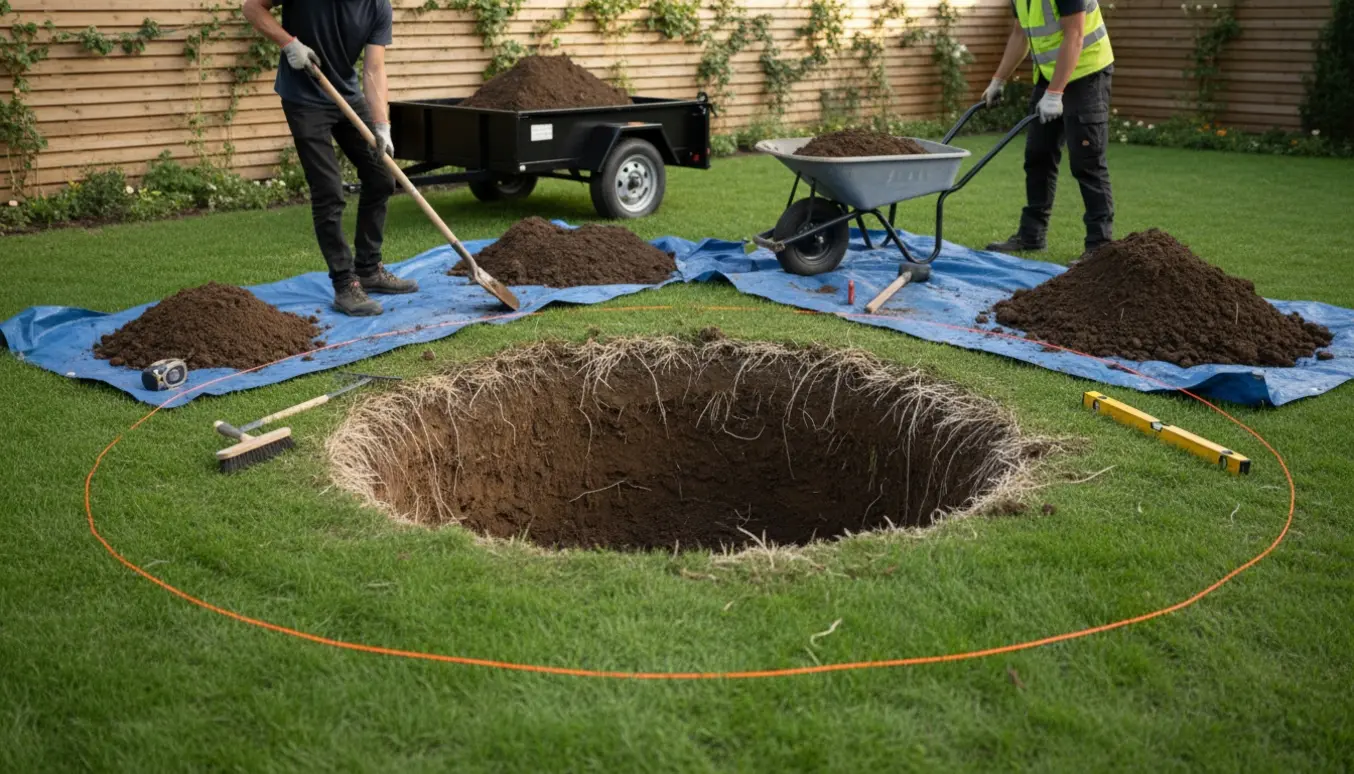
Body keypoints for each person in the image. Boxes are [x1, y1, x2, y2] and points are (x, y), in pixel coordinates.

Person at [243, 0, 417, 316]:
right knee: (329, 191)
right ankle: (345, 284)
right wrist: (289, 44)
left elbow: (374, 68)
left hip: (347, 95)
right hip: (304, 99)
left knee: (381, 178)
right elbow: (252, 8)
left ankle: (369, 269)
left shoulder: (378, 6)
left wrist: (382, 124)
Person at [983, 0, 1116, 260]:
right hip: (1050, 75)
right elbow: (1020, 33)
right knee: (1038, 156)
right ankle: (1032, 235)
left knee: (1087, 162)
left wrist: (1055, 94)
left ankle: (1100, 248)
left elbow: (1075, 34)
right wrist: (998, 80)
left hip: (1087, 73)